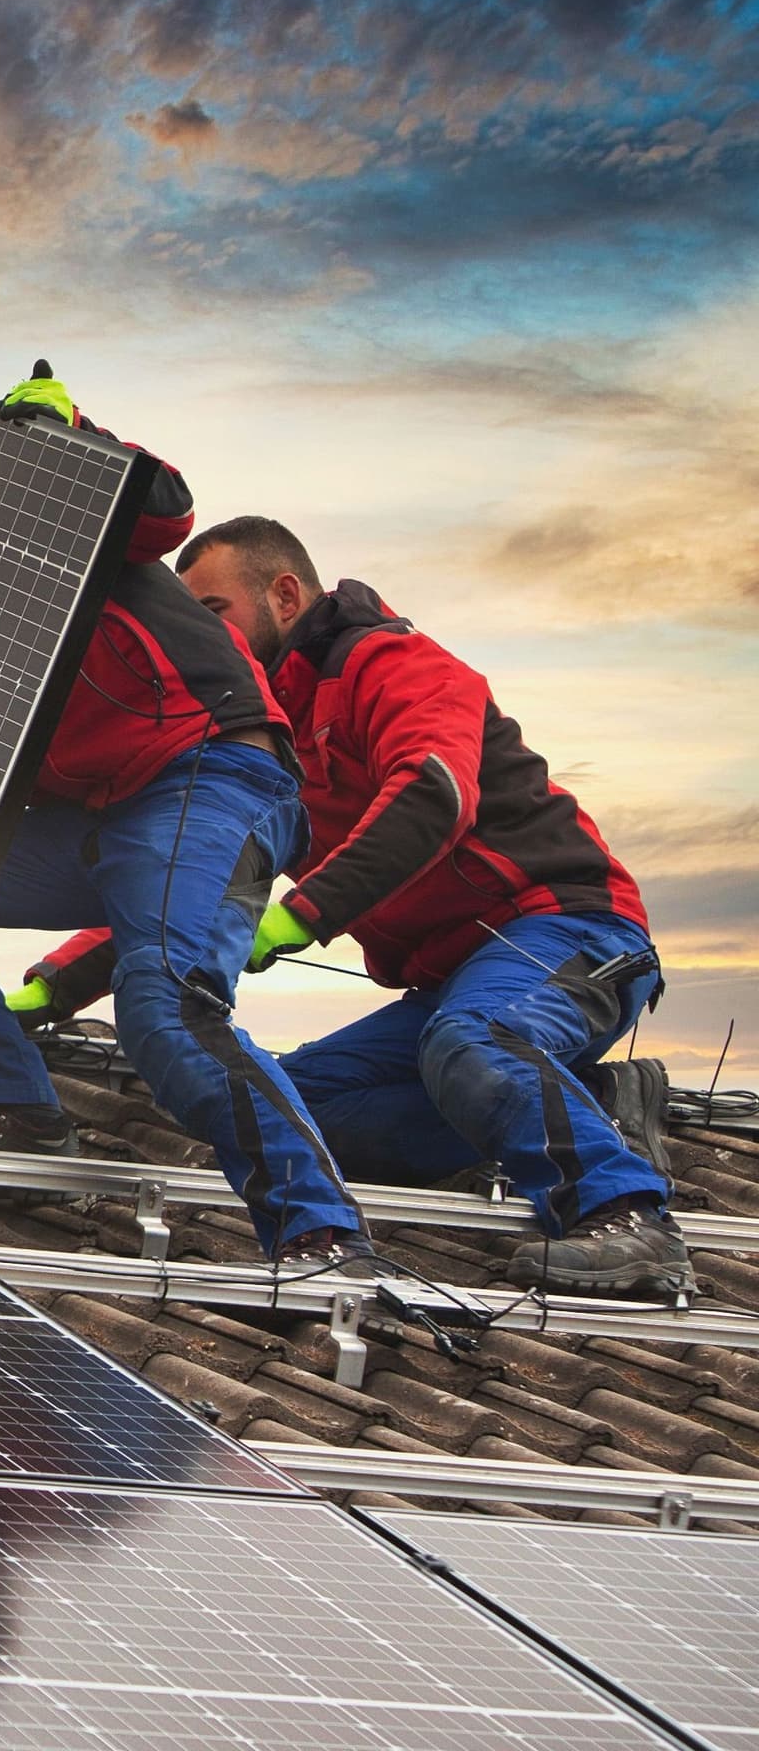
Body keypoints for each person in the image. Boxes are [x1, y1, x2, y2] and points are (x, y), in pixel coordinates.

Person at [158, 515, 684, 1298]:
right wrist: (55, 985)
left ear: (286, 594)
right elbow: (180, 881)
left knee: (474, 1038)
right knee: (301, 1102)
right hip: (452, 981)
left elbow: (435, 793)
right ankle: (600, 1102)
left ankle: (624, 1216)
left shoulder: (396, 661)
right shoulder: (268, 741)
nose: (202, 639)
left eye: (213, 612)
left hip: (566, 926)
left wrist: (305, 912)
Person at [0, 369, 370, 1267]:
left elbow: (163, 507)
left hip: (210, 772)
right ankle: (13, 1109)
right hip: (100, 815)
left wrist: (72, 440)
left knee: (165, 1009)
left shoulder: (40, 519)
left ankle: (323, 1235)